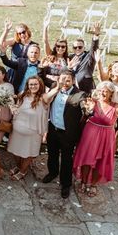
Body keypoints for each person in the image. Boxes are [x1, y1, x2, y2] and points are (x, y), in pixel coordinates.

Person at [73, 81, 118, 197]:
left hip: (106, 137)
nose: (102, 93)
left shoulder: (117, 107)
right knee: (87, 159)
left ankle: (93, 184)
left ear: (111, 93)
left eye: (105, 91)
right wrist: (88, 110)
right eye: (100, 90)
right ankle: (83, 181)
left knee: (100, 162)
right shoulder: (92, 102)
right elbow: (82, 115)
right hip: (90, 135)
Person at [40, 69, 87, 199]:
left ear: (73, 80)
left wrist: (87, 109)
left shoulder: (80, 94)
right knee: (52, 154)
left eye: (68, 80)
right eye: (62, 79)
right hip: (53, 129)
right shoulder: (55, 87)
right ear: (58, 79)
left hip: (68, 133)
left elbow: (84, 107)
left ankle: (66, 184)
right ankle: (52, 172)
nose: (65, 82)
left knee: (66, 159)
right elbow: (42, 79)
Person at [6, 76, 49, 181]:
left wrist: (58, 86)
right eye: (31, 84)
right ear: (27, 85)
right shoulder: (22, 95)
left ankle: (23, 170)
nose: (33, 86)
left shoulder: (43, 98)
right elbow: (15, 108)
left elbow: (52, 94)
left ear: (40, 85)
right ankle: (18, 166)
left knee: (28, 153)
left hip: (33, 132)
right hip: (18, 129)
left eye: (35, 84)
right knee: (16, 151)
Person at [68, 23, 100, 93]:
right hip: (71, 90)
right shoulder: (69, 58)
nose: (77, 49)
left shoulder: (88, 57)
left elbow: (94, 48)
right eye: (75, 47)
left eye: (80, 47)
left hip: (85, 90)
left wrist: (96, 35)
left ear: (84, 48)